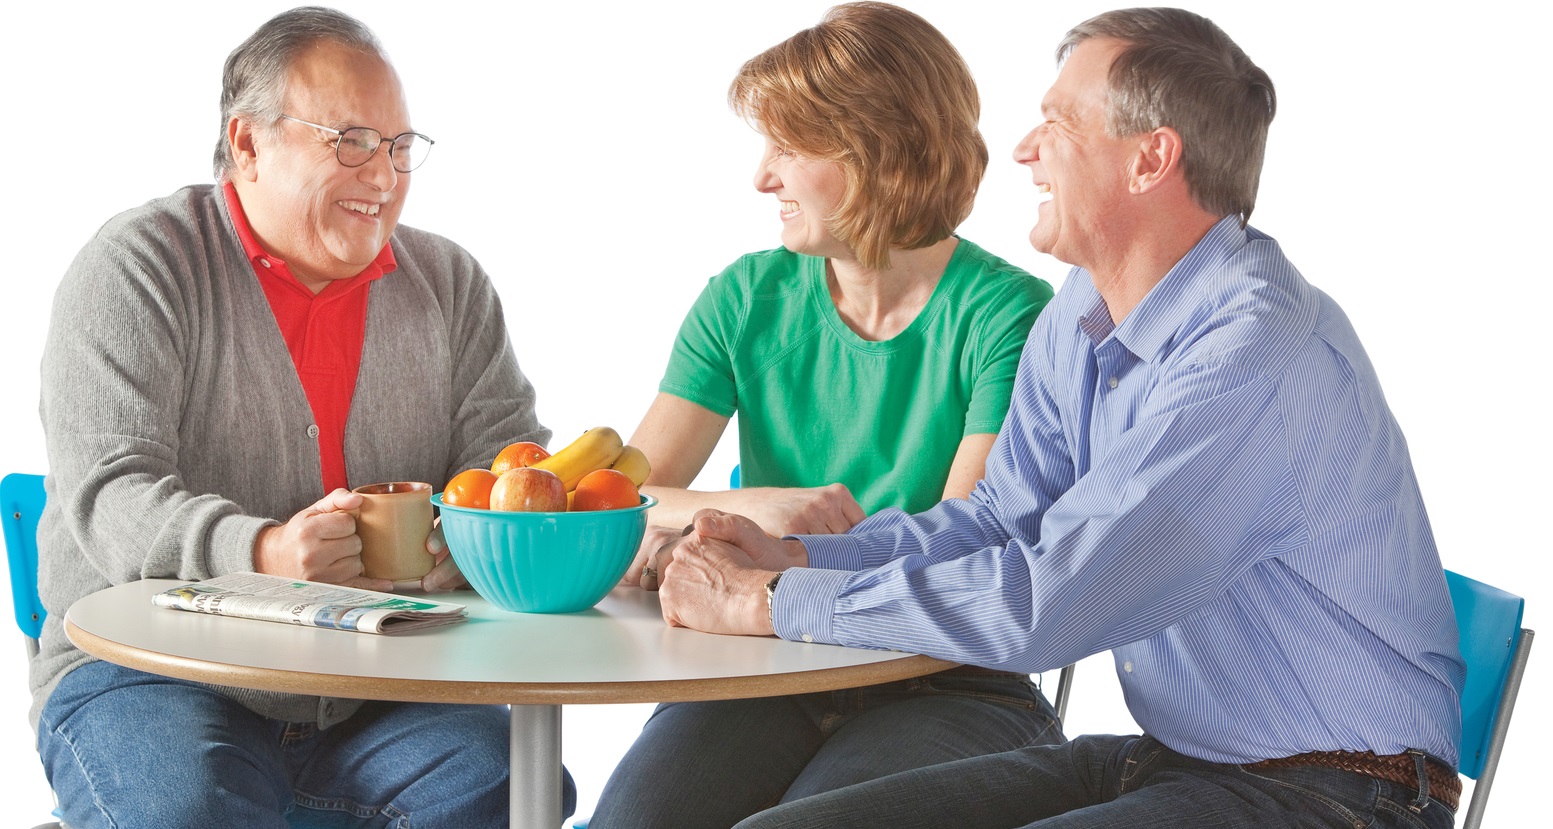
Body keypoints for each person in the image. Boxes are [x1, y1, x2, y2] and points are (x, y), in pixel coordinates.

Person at [650, 8, 1466, 829]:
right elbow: (1001, 522)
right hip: (1180, 760)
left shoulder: (1250, 355)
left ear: (1150, 158)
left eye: (1057, 124)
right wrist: (793, 552)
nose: (1022, 150)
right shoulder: (1085, 310)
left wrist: (771, 599)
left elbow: (1046, 601)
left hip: (1338, 791)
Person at [30, 7, 573, 827]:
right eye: (350, 140)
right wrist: (266, 550)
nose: (384, 177)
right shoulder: (138, 266)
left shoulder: (449, 283)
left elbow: (507, 471)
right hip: (153, 675)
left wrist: (465, 548)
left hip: (374, 687)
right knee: (190, 810)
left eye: (398, 147)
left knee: (515, 787)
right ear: (248, 143)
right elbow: (111, 492)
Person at [590, 4, 1058, 828]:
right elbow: (617, 496)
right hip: (762, 664)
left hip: (945, 680)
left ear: (875, 152)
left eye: (789, 148)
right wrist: (752, 511)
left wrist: (733, 549)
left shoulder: (1006, 314)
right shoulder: (744, 298)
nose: (761, 178)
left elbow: (966, 538)